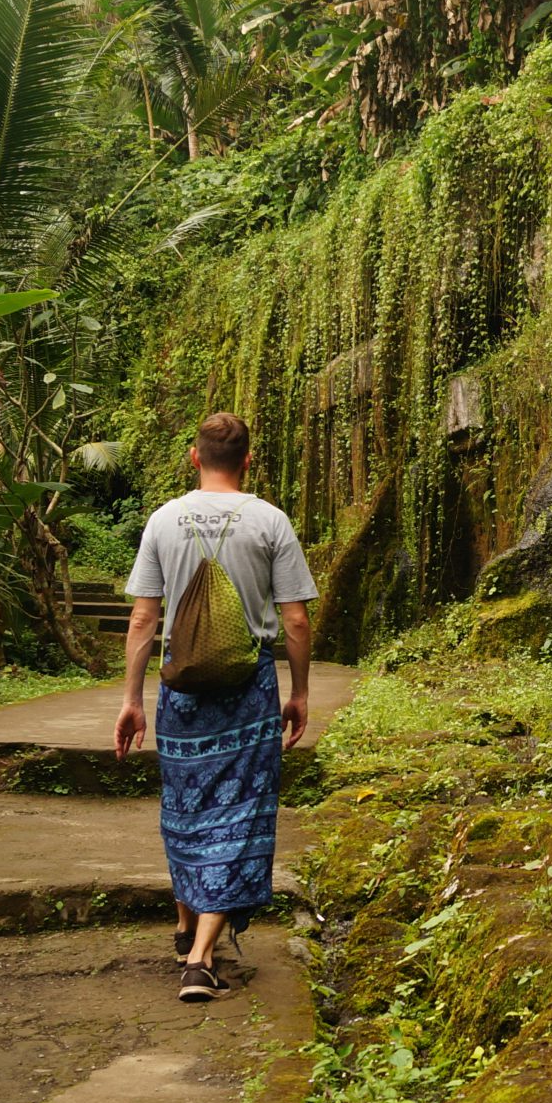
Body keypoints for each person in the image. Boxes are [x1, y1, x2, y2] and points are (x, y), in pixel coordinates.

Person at [115, 413, 318, 1002]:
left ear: (193, 456)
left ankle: (189, 934)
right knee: (240, 812)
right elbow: (296, 618)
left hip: (181, 692)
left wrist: (132, 700)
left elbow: (143, 619)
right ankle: (201, 956)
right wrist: (298, 692)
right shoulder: (270, 521)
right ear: (248, 461)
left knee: (186, 809)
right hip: (247, 690)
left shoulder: (162, 520)